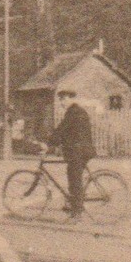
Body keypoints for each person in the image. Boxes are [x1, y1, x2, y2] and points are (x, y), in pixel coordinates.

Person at [49, 89, 96, 218]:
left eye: (64, 99)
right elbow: (64, 130)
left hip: (80, 150)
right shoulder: (73, 112)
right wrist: (53, 141)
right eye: (60, 99)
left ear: (71, 99)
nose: (61, 102)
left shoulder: (74, 112)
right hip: (79, 150)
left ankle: (77, 212)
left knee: (75, 179)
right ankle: (73, 203)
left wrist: (50, 142)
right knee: (72, 174)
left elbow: (62, 130)